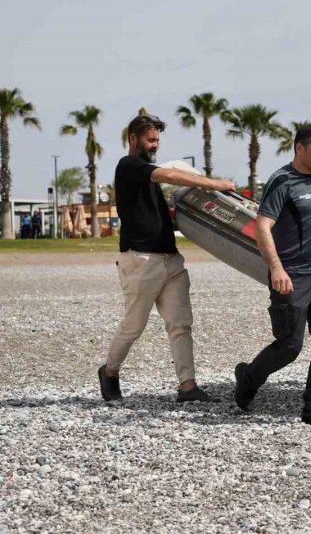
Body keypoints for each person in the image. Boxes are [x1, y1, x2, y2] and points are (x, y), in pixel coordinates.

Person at [98, 114, 235, 402]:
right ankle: (110, 371)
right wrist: (213, 183)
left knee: (180, 324)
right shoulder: (129, 166)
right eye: (150, 139)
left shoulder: (147, 170)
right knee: (134, 325)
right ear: (133, 139)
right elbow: (166, 174)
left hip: (171, 261)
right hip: (140, 261)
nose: (155, 145)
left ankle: (187, 386)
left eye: (158, 140)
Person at [233, 123, 311, 428]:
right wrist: (276, 268)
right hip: (292, 275)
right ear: (300, 148)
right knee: (289, 346)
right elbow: (262, 226)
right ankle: (248, 377)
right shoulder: (281, 181)